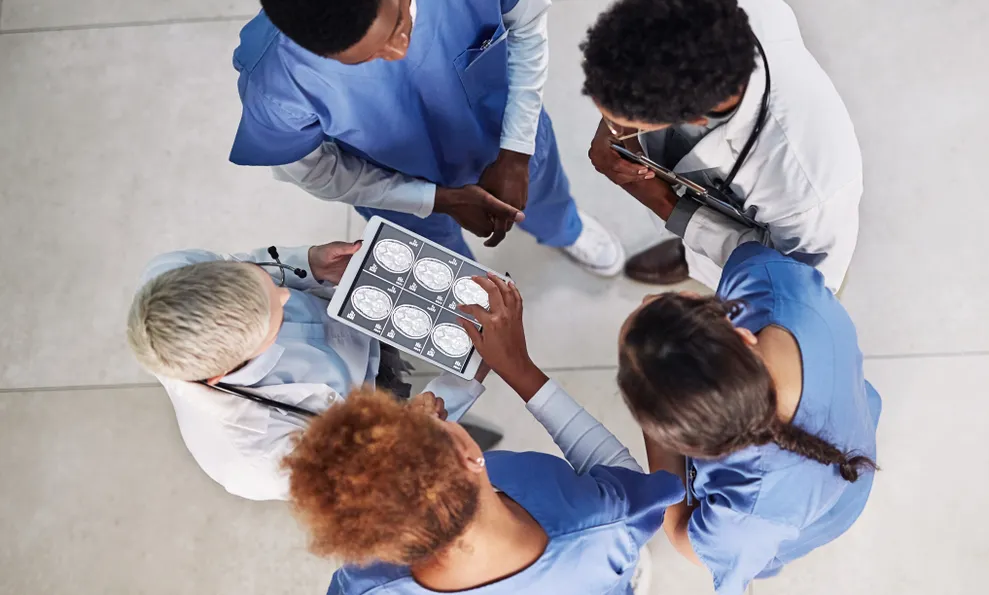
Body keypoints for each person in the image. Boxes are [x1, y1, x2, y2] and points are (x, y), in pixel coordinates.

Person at [230, 0, 624, 277]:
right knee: (438, 259)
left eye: (400, 22)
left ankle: (564, 229)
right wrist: (435, 199)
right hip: (394, 182)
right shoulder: (275, 83)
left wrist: (517, 150)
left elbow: (527, 23)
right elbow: (316, 170)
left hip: (504, 131)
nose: (400, 50)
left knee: (542, 191)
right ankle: (468, 284)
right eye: (369, 57)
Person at [284, 275, 683, 595]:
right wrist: (521, 371)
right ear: (466, 452)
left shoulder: (364, 586)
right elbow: (626, 476)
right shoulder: (604, 527)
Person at [581, 0, 861, 290]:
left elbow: (794, 282)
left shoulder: (808, 187)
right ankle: (686, 254)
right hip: (695, 192)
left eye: (627, 121)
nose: (615, 128)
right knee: (691, 240)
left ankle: (698, 263)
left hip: (766, 269)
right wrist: (614, 126)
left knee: (741, 295)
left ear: (695, 118)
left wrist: (658, 198)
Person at [125, 241, 489, 500]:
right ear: (220, 375)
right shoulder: (259, 459)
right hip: (364, 415)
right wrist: (458, 389)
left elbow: (246, 265)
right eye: (277, 315)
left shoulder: (170, 275)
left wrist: (310, 263)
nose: (287, 296)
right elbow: (373, 469)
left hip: (356, 340)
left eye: (267, 283)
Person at [615, 242, 881, 594]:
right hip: (854, 437)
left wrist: (660, 436)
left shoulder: (743, 520)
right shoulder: (767, 280)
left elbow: (685, 538)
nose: (650, 300)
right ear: (739, 332)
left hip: (812, 519)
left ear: (684, 436)